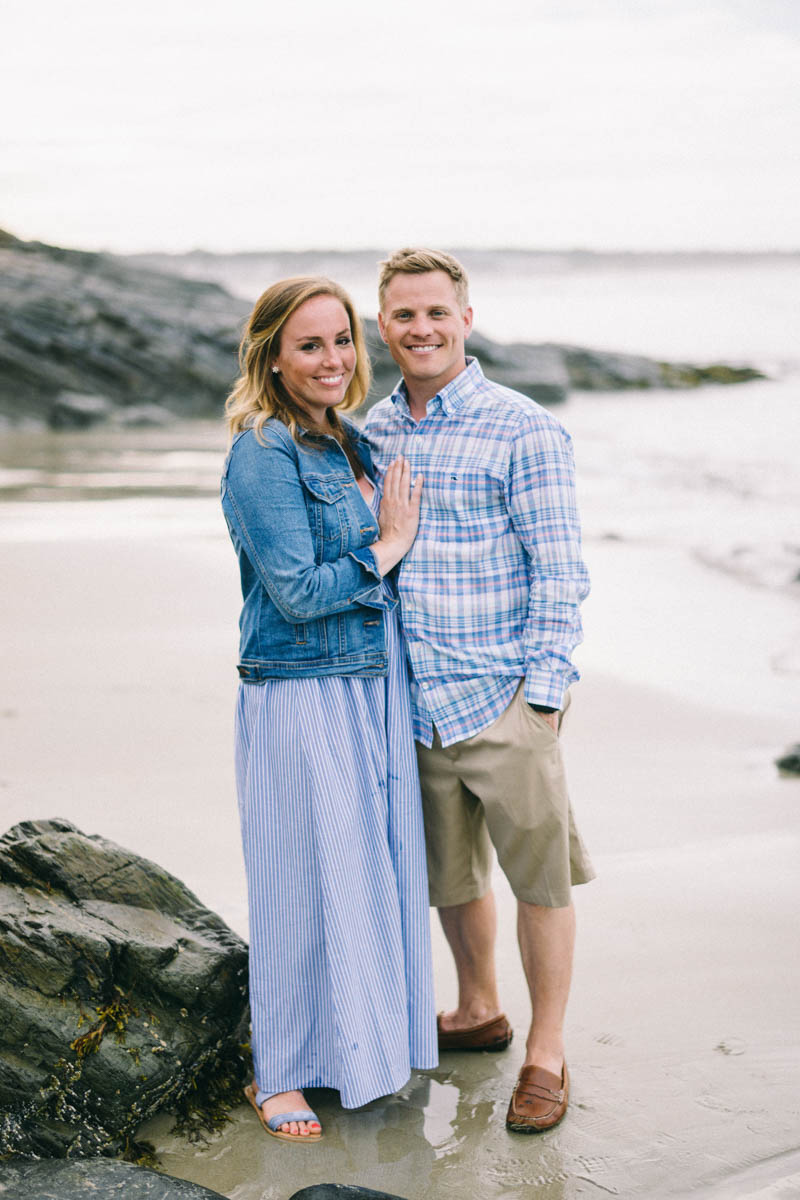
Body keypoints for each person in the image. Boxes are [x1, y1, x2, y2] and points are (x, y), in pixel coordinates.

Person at [365, 248, 595, 1134]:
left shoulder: (523, 427)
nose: (420, 329)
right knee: (452, 876)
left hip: (502, 696)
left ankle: (546, 1053)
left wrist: (541, 698)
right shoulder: (372, 431)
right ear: (381, 325)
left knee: (540, 882)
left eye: (435, 313)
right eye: (402, 315)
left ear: (466, 318)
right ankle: (475, 1009)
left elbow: (561, 569)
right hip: (410, 703)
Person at [221, 276, 437, 1143]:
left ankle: (358, 1049)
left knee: (363, 878)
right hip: (301, 688)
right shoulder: (261, 452)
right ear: (271, 354)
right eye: (309, 344)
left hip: (369, 681)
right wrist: (387, 547)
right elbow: (300, 594)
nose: (332, 359)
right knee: (297, 882)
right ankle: (277, 1072)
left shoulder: (348, 440)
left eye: (342, 340)